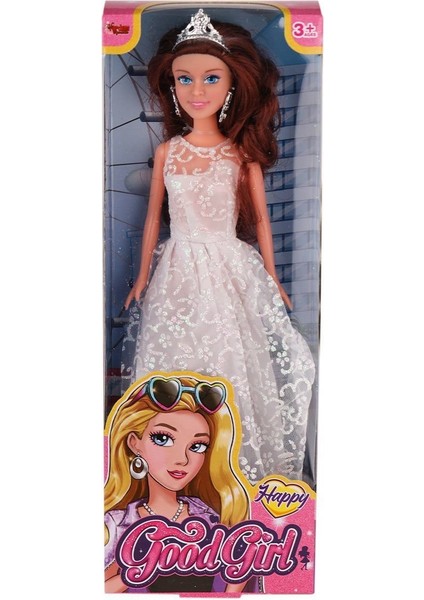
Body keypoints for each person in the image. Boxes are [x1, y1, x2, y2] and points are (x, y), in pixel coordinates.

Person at [123, 9, 316, 484]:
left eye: (211, 78)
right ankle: (173, 473)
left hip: (229, 265)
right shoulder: (169, 151)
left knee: (233, 356)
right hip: (178, 268)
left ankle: (236, 469)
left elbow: (262, 219)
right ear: (171, 85)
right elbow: (154, 218)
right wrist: (143, 276)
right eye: (184, 78)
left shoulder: (239, 154)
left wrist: (272, 279)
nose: (197, 90)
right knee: (176, 358)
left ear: (231, 86)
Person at [104, 374, 253, 593]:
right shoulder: (118, 524)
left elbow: (242, 564)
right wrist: (139, 570)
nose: (182, 459)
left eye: (198, 446)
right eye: (162, 439)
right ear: (135, 443)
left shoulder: (207, 515)